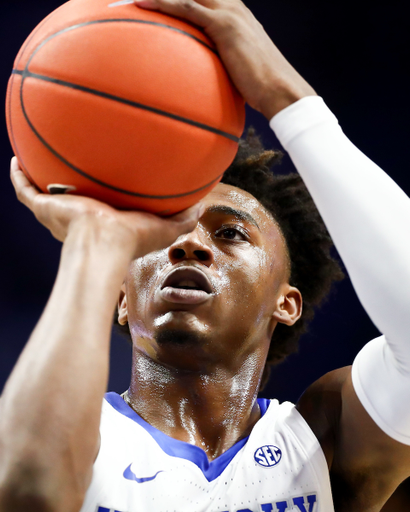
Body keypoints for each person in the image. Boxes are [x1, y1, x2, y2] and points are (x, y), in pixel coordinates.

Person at [1, 0, 410, 511]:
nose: (189, 243)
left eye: (232, 234)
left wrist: (287, 98)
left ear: (287, 303)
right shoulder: (77, 441)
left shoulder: (322, 442)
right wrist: (97, 238)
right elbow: (27, 488)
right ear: (122, 300)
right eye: (160, 238)